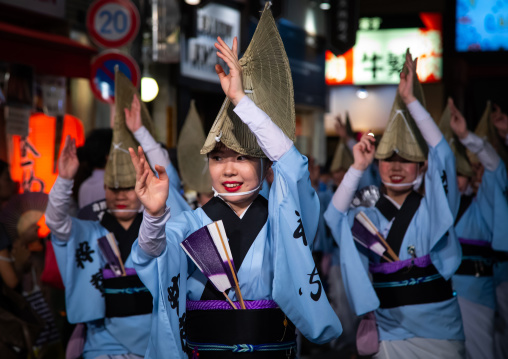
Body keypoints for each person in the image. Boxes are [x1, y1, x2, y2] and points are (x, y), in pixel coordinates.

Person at [130, 5, 341, 358]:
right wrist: (152, 217)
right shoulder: (188, 223)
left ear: (263, 163)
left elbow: (294, 166)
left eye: (242, 158)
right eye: (217, 158)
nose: (228, 170)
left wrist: (241, 101)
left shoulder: (285, 220)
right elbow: (151, 259)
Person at [324, 50, 464, 358]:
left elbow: (444, 157)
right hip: (388, 329)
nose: (396, 167)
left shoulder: (436, 209)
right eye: (388, 159)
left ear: (421, 166)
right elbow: (334, 217)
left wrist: (410, 100)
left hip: (440, 326)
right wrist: (358, 166)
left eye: (407, 160)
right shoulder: (366, 214)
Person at [45, 71, 179, 359]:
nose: (120, 195)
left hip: (153, 333)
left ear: (141, 186)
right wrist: (64, 180)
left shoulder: (156, 224)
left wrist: (142, 133)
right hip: (101, 337)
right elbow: (56, 223)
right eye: (112, 187)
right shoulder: (91, 228)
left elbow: (172, 185)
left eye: (128, 187)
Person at [444, 99, 507, 359]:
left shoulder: (481, 204)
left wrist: (465, 136)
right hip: (438, 298)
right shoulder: (432, 208)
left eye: (460, 173)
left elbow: (494, 167)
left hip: (477, 292)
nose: (454, 179)